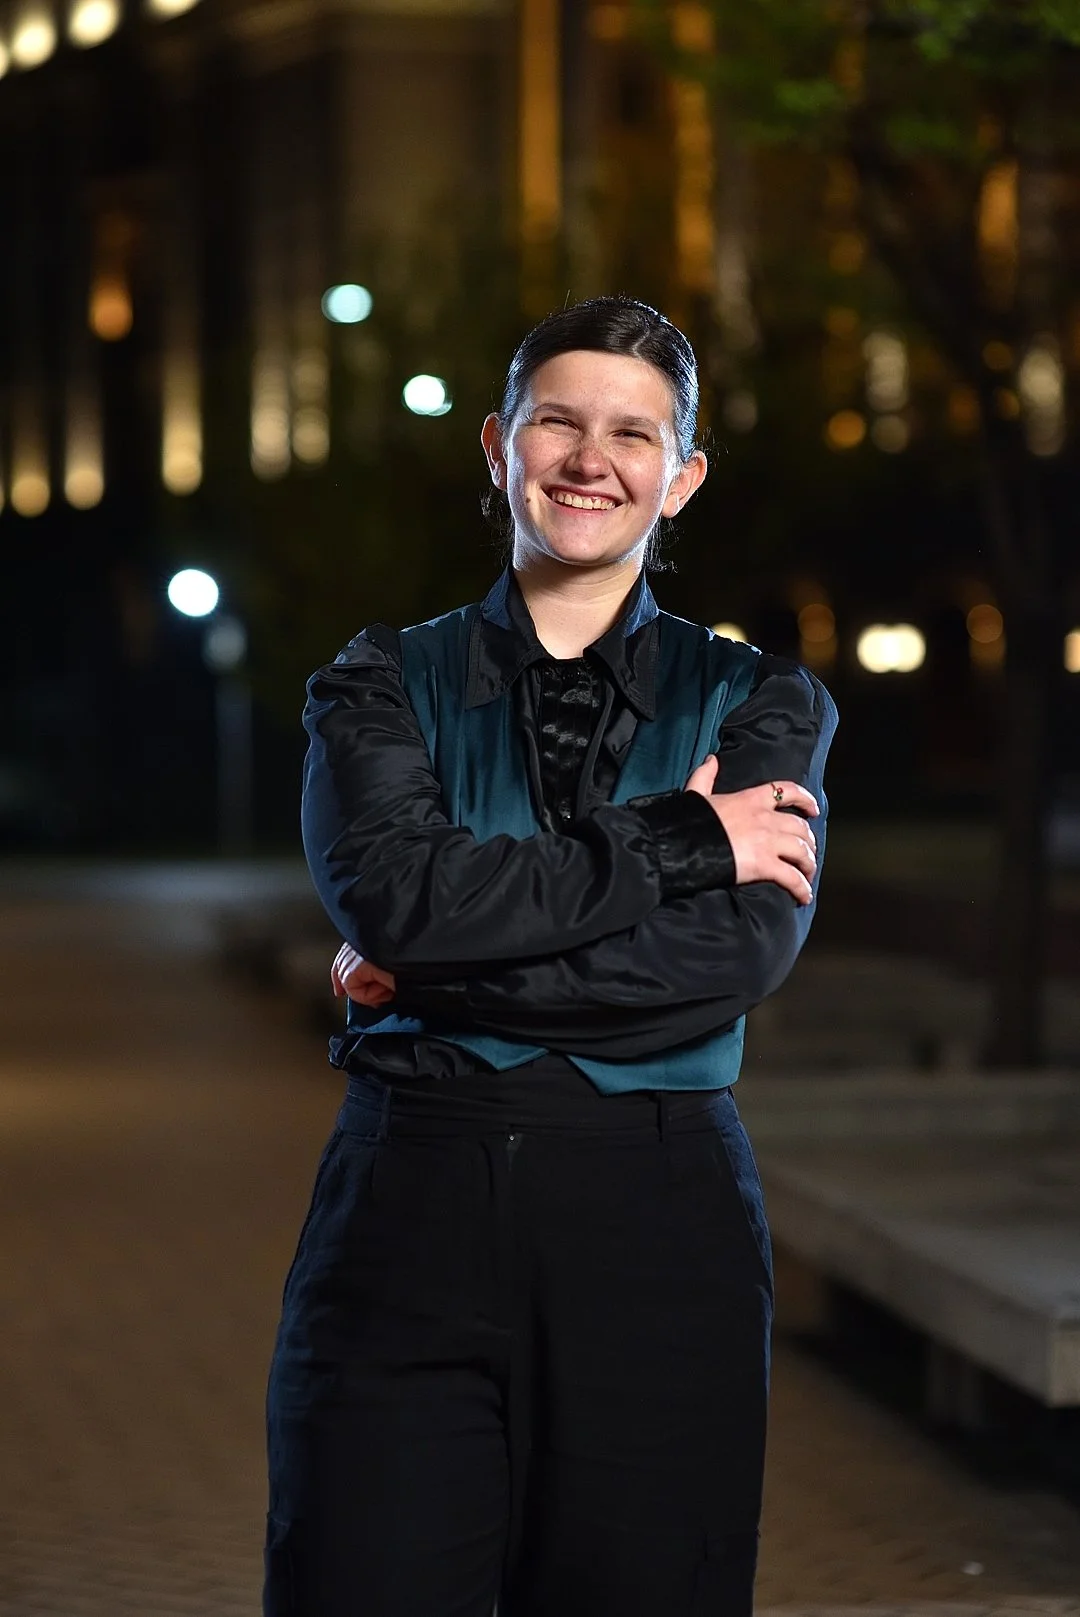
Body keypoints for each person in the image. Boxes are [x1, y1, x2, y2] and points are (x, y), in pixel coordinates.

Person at [264, 295, 837, 1617]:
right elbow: (399, 896)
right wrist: (682, 837)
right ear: (497, 444)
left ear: (680, 478)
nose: (593, 458)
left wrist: (435, 968)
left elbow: (728, 961)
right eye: (559, 422)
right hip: (406, 1208)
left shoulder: (764, 703)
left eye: (635, 434)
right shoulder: (374, 682)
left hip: (659, 1219)